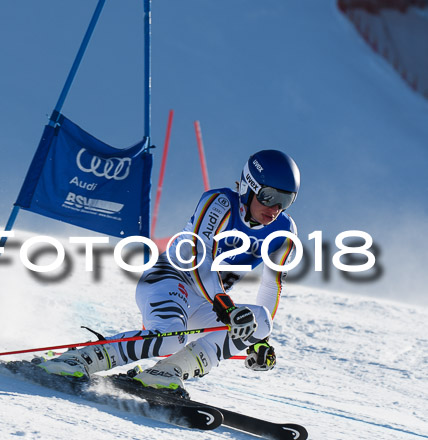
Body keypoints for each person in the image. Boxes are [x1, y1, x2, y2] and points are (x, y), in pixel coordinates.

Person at [39, 149, 301, 391]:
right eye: (270, 196)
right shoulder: (220, 203)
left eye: (285, 200)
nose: (275, 208)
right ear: (249, 187)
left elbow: (272, 284)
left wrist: (259, 340)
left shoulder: (285, 232)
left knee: (261, 322)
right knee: (170, 339)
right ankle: (79, 358)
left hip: (209, 302)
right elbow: (200, 257)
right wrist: (227, 307)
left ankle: (167, 373)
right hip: (169, 278)